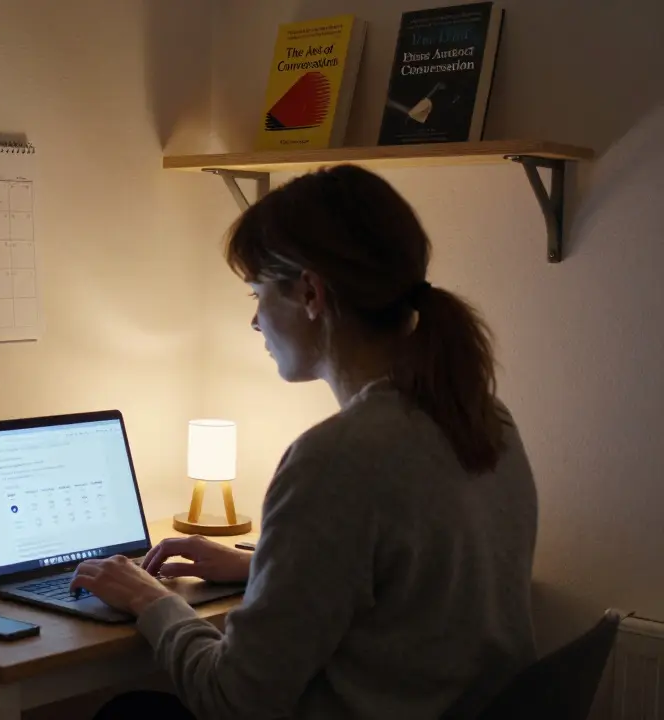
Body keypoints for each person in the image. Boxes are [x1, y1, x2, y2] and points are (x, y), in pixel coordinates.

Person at [72, 165, 539, 720]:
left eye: (258, 293)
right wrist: (262, 567)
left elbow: (233, 700)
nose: (255, 321)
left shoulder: (337, 459)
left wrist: (152, 600)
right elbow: (411, 589)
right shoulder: (484, 416)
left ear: (311, 292)